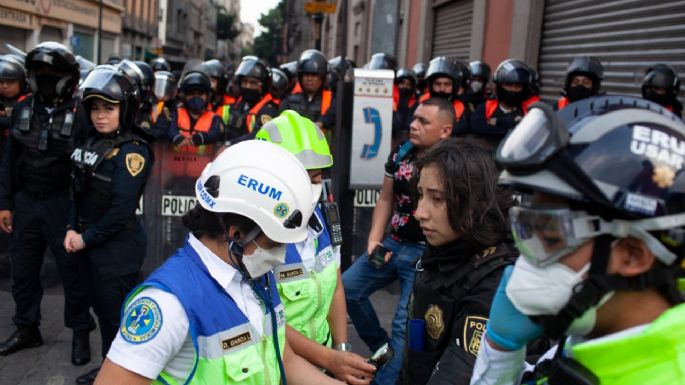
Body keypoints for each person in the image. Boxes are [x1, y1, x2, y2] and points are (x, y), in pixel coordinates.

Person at [470, 96, 685, 384]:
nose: (528, 254)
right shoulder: (586, 341)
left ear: (633, 254)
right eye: (527, 228)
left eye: (550, 234)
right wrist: (501, 350)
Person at [95, 139, 344, 385]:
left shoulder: (254, 274)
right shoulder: (169, 304)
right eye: (275, 242)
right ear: (236, 234)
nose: (280, 255)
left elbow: (284, 358)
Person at [257, 110, 377, 384]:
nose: (313, 187)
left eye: (317, 178)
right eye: (304, 177)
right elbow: (263, 319)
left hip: (324, 361)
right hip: (277, 367)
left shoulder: (322, 220)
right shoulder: (254, 238)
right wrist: (330, 360)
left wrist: (341, 349)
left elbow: (334, 284)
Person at [343, 97, 454, 385]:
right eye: (414, 118)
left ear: (445, 130)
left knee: (404, 324)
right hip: (392, 245)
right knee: (347, 290)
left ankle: (385, 379)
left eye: (423, 121)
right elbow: (385, 199)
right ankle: (385, 352)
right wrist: (373, 240)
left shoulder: (453, 163)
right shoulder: (401, 153)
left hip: (426, 253)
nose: (413, 125)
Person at [0, 42, 95, 364]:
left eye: (52, 73)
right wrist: (5, 203)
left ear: (69, 77)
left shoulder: (81, 113)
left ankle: (80, 332)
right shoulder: (23, 108)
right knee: (23, 272)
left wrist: (79, 215)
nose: (45, 78)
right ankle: (27, 328)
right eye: (39, 72)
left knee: (73, 274)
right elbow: (10, 161)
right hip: (27, 202)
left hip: (63, 205)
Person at [399, 138, 517, 385]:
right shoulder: (439, 253)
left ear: (477, 203)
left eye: (437, 199)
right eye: (420, 195)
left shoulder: (496, 283)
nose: (420, 212)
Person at [66, 64, 153, 385]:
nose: (101, 115)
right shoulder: (90, 143)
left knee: (119, 319)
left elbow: (120, 211)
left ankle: (125, 376)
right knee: (103, 314)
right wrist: (70, 230)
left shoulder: (133, 151)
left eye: (110, 108)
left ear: (125, 109)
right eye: (95, 108)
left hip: (117, 251)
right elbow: (75, 193)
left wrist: (84, 238)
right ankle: (109, 368)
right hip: (88, 244)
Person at [470, 59, 533, 149]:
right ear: (499, 86)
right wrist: (512, 129)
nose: (513, 90)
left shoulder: (529, 111)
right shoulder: (486, 107)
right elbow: (477, 127)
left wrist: (497, 122)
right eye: (509, 85)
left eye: (518, 86)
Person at [280, 50, 336, 135]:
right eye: (306, 75)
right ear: (300, 77)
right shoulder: (289, 100)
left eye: (314, 75)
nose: (309, 79)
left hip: (322, 147)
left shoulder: (332, 99)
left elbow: (334, 115)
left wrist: (322, 122)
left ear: (322, 77)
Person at [225, 56, 278, 143]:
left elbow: (260, 134)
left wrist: (231, 144)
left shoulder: (268, 110)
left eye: (253, 83)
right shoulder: (237, 105)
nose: (247, 86)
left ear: (263, 86)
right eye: (244, 81)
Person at [166, 70, 224, 150]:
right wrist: (176, 137)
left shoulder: (215, 118)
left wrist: (202, 137)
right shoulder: (176, 113)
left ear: (208, 96)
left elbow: (216, 133)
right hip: (174, 161)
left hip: (204, 161)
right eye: (191, 93)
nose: (196, 97)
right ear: (184, 96)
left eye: (200, 94)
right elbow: (168, 128)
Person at [422, 56, 470, 136]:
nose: (442, 89)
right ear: (431, 85)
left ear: (454, 86)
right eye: (437, 84)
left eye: (447, 84)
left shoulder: (462, 107)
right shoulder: (421, 102)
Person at [201, 59, 234, 125]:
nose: (207, 84)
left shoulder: (232, 103)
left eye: (212, 81)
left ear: (221, 84)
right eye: (205, 79)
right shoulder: (196, 101)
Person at [393, 68, 419, 147]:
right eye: (402, 83)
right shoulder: (391, 100)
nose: (405, 86)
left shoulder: (416, 102)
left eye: (408, 84)